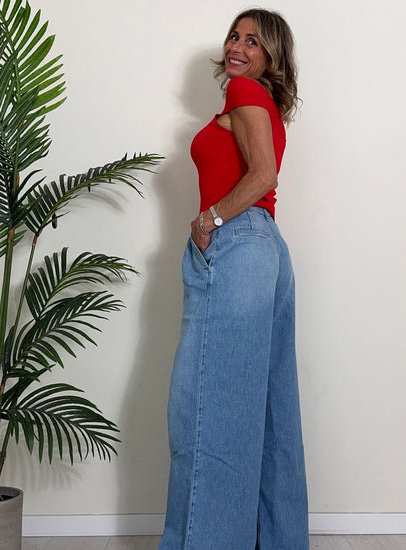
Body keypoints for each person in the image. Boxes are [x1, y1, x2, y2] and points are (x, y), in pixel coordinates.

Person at [159, 9, 308, 550]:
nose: (237, 47)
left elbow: (263, 175)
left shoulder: (245, 92)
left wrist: (209, 220)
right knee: (270, 414)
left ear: (272, 55)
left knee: (206, 409)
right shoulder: (261, 102)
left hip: (238, 246)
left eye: (253, 41)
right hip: (267, 251)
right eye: (234, 36)